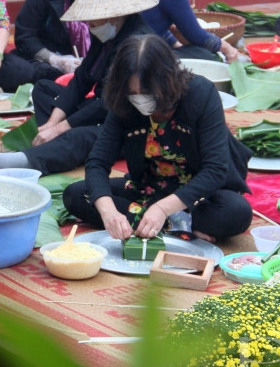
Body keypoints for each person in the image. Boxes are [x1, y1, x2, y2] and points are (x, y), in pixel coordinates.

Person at [62, 35, 252, 243]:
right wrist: (109, 213)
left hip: (197, 194)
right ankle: (177, 226)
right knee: (77, 194)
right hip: (148, 187)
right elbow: (98, 162)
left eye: (146, 92)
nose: (139, 98)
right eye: (132, 92)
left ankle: (156, 222)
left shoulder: (200, 93)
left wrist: (162, 209)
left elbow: (215, 170)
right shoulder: (124, 103)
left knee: (236, 212)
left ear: (166, 81)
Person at [0, 0, 156, 175]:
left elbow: (108, 103)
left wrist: (61, 127)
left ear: (114, 16)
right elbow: (81, 80)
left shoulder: (136, 44)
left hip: (125, 121)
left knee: (79, 137)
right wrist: (52, 124)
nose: (90, 27)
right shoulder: (106, 33)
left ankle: (23, 161)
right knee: (43, 89)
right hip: (99, 107)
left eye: (93, 22)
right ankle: (52, 145)